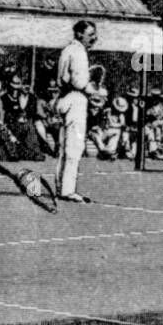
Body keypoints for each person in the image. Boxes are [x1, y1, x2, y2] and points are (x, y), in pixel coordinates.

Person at [55, 21, 99, 203]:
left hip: (64, 99)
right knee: (74, 146)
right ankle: (67, 190)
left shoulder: (67, 50)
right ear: (80, 34)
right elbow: (79, 82)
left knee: (65, 147)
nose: (94, 38)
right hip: (76, 100)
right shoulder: (79, 52)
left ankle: (61, 187)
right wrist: (96, 92)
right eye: (91, 34)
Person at [93, 94, 130, 160]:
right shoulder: (107, 111)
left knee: (118, 135)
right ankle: (104, 150)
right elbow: (104, 122)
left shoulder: (121, 115)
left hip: (114, 132)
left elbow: (122, 124)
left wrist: (119, 126)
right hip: (104, 131)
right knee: (96, 135)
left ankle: (109, 151)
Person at [143, 89, 163, 161]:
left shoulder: (159, 106)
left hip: (155, 124)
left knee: (158, 130)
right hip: (147, 124)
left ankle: (156, 149)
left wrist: (157, 119)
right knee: (159, 126)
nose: (156, 100)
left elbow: (161, 115)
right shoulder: (148, 105)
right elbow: (147, 116)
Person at [34, 80, 63, 157]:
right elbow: (39, 112)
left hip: (56, 124)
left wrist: (57, 119)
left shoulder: (61, 101)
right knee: (38, 123)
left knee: (59, 128)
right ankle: (46, 144)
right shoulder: (41, 101)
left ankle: (58, 147)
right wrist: (46, 118)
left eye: (55, 92)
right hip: (46, 122)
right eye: (50, 91)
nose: (53, 94)